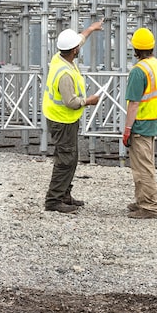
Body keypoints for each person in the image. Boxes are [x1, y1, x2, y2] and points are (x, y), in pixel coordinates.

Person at [42, 20, 104, 213]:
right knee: (65, 159)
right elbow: (70, 101)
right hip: (62, 119)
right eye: (77, 46)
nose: (79, 46)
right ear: (74, 51)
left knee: (71, 157)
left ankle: (64, 194)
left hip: (62, 118)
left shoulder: (59, 58)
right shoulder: (65, 74)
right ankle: (53, 200)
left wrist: (91, 29)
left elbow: (79, 40)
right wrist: (89, 101)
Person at [122, 27, 157, 219]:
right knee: (144, 163)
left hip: (140, 123)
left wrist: (127, 129)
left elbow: (133, 103)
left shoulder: (138, 71)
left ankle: (149, 207)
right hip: (153, 120)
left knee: (143, 167)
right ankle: (142, 200)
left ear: (135, 48)